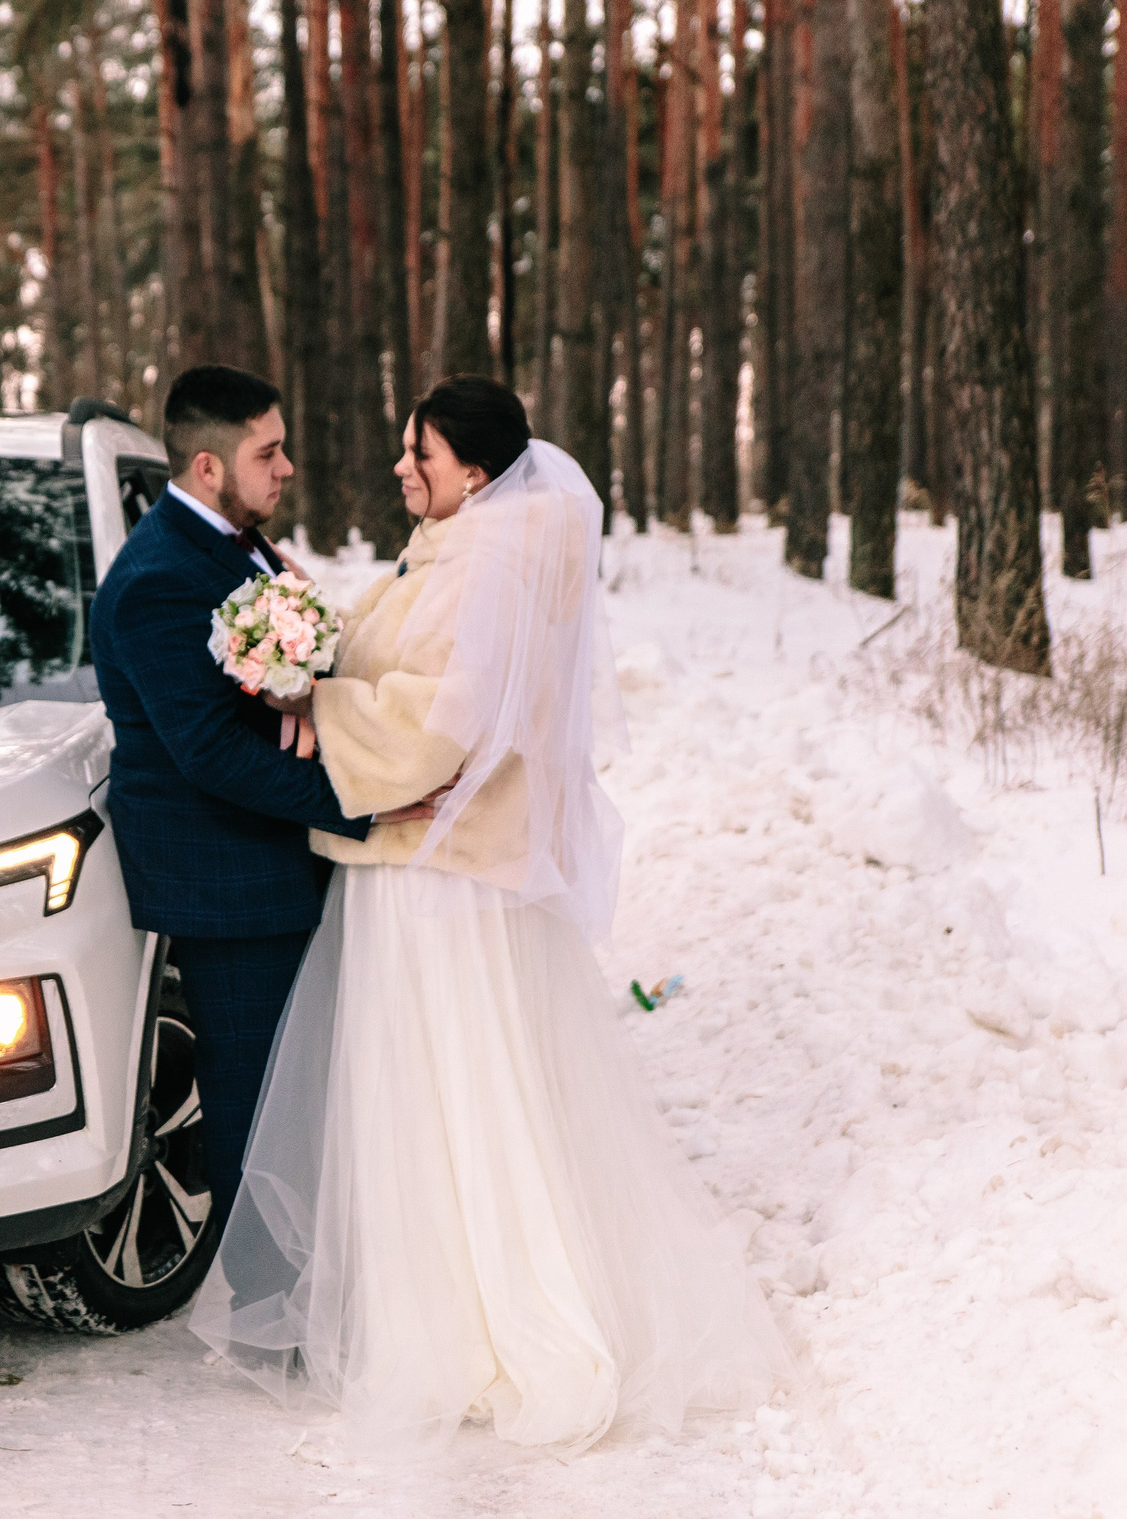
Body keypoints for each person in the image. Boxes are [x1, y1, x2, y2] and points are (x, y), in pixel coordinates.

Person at [189, 374, 794, 1451]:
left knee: (448, 1089)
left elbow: (443, 723)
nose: (398, 468)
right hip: (432, 865)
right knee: (440, 1091)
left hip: (442, 879)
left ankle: (478, 1326)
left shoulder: (487, 563)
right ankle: (440, 1305)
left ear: (472, 471)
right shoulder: (458, 550)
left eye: (415, 453)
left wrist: (314, 712)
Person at [88, 364, 425, 1222]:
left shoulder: (237, 548)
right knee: (257, 1098)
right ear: (209, 467)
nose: (285, 468)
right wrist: (365, 800)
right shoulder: (159, 577)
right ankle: (267, 1309)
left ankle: (308, 1283)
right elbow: (208, 753)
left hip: (278, 857)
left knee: (303, 1090)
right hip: (226, 880)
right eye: (268, 452)